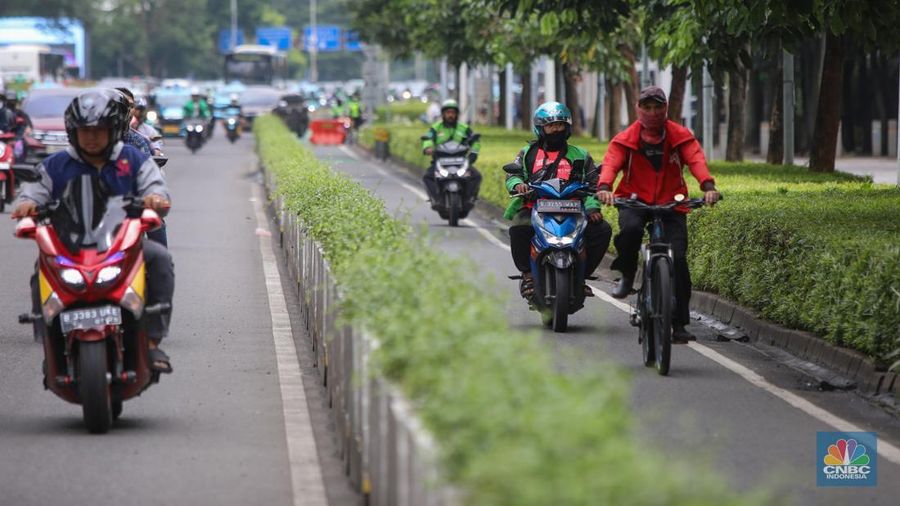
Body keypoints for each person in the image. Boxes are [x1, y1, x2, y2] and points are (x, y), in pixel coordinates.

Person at [11, 90, 175, 373]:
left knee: (159, 257)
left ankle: (152, 342)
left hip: (124, 242)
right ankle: (48, 334)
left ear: (113, 129)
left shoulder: (134, 159)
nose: (91, 137)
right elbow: (33, 191)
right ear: (73, 131)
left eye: (99, 130)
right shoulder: (57, 164)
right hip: (72, 244)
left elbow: (156, 186)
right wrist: (26, 204)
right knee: (42, 268)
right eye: (84, 130)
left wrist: (155, 199)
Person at [596, 86, 720, 343]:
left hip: (671, 202)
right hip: (633, 200)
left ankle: (678, 323)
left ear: (666, 109)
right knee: (630, 232)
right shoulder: (626, 138)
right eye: (647, 107)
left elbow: (695, 159)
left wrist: (708, 187)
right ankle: (627, 275)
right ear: (638, 109)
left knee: (679, 258)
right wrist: (605, 188)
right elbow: (611, 163)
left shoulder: (679, 135)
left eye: (657, 107)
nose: (652, 112)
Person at [504, 101, 612, 300]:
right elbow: (513, 175)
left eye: (560, 125)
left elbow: (593, 182)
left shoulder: (580, 154)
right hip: (535, 206)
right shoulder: (528, 153)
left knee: (602, 229)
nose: (556, 130)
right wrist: (518, 185)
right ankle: (528, 275)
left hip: (574, 208)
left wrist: (592, 207)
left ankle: (581, 277)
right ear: (540, 128)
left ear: (567, 127)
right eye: (550, 125)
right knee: (519, 227)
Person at [421, 99, 483, 207]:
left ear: (456, 114)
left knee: (476, 176)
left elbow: (475, 141)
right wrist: (428, 148)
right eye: (448, 113)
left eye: (453, 113)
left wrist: (473, 152)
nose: (450, 115)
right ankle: (437, 200)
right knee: (427, 177)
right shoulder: (436, 128)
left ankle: (469, 198)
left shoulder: (464, 128)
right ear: (443, 114)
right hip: (440, 161)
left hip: (461, 161)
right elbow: (428, 138)